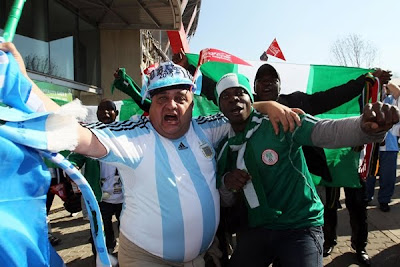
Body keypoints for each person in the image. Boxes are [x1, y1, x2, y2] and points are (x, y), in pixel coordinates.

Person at [0, 42, 301, 267]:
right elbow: (75, 132)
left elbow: (238, 110)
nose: (171, 106)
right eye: (162, 99)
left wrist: (269, 106)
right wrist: (22, 84)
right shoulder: (133, 136)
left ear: (192, 104)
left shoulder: (208, 127)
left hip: (202, 257)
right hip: (147, 259)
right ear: (149, 104)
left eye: (180, 98)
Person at [215, 73, 399, 267]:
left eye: (240, 93)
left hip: (299, 227)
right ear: (219, 106)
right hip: (257, 227)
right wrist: (227, 181)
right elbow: (225, 199)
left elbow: (326, 132)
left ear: (251, 99)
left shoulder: (279, 120)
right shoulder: (222, 145)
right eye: (225, 96)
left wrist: (365, 127)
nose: (234, 98)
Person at [68, 99, 124, 255]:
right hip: (100, 198)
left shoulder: (125, 133)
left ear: (116, 113)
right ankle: (104, 256)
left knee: (129, 231)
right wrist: (72, 167)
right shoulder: (91, 135)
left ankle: (127, 256)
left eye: (110, 109)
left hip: (126, 198)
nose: (106, 112)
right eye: (102, 110)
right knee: (100, 230)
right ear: (97, 114)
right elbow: (76, 157)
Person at [367, 81, 400, 212]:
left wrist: (383, 80)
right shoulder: (368, 100)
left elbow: (397, 92)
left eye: (382, 87)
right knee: (369, 175)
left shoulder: (392, 100)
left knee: (388, 176)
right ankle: (366, 197)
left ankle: (384, 200)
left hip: (389, 146)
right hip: (371, 145)